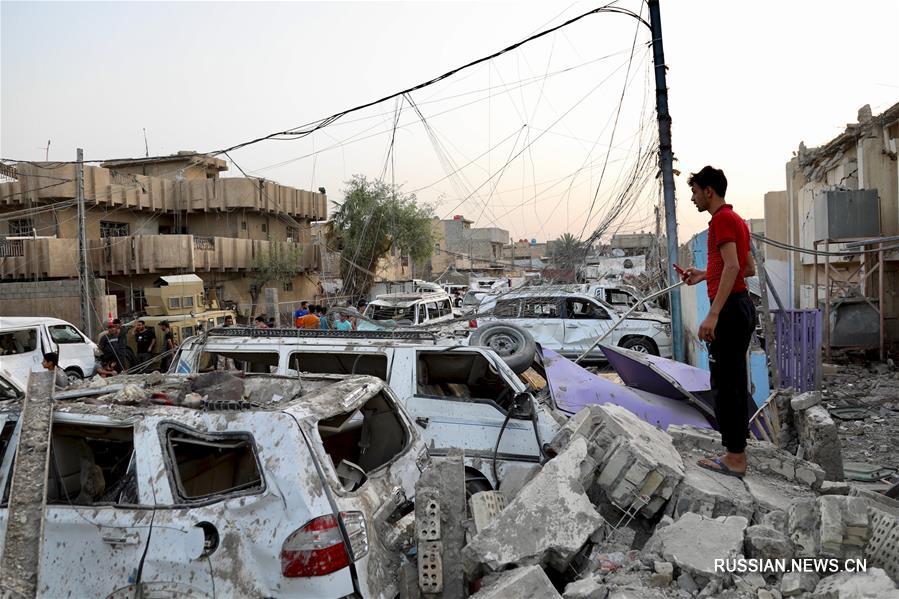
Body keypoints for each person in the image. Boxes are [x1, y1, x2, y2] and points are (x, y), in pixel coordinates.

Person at [680, 166, 757, 479]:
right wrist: (703, 275)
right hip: (741, 306)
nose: (693, 198)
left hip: (729, 310)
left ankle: (735, 458)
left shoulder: (722, 220)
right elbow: (747, 268)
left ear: (708, 191)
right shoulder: (737, 220)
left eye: (695, 192)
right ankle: (734, 452)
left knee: (726, 385)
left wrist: (712, 314)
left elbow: (734, 267)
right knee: (732, 382)